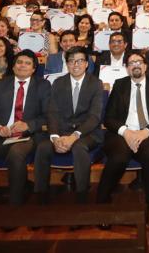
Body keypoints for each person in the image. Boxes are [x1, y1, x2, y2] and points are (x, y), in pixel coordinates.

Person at [0, 50, 51, 206]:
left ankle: (15, 204)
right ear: (13, 67)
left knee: (16, 154)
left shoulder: (43, 85)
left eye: (27, 63)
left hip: (29, 136)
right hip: (2, 135)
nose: (22, 66)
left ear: (34, 69)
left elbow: (48, 115)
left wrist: (28, 125)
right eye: (19, 62)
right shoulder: (1, 85)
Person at [97, 52, 149, 204]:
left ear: (145, 66)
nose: (136, 65)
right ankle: (102, 200)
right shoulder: (119, 85)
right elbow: (108, 118)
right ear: (127, 68)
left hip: (147, 133)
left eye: (139, 62)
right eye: (131, 63)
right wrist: (126, 132)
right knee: (119, 157)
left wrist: (145, 132)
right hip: (122, 133)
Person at [35, 47, 102, 203]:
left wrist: (74, 137)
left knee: (79, 147)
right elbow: (52, 112)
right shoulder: (58, 83)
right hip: (61, 132)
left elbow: (94, 117)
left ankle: (82, 196)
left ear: (86, 64)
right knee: (43, 147)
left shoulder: (95, 83)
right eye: (71, 61)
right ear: (67, 64)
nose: (75, 64)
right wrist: (55, 137)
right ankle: (40, 196)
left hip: (87, 133)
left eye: (80, 61)